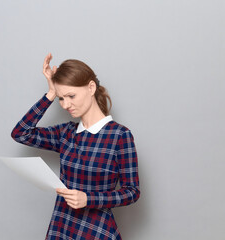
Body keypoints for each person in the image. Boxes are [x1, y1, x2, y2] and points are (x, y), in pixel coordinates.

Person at [11, 53, 140, 240]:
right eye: (61, 99)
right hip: (62, 224)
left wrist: (89, 199)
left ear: (91, 87)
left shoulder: (119, 135)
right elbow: (20, 133)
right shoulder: (65, 133)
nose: (65, 105)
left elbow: (132, 191)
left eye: (71, 96)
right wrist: (50, 94)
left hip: (96, 229)